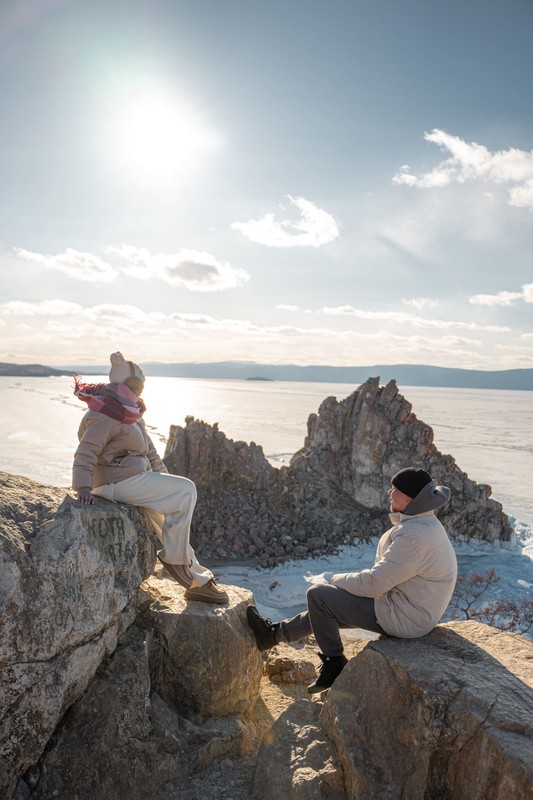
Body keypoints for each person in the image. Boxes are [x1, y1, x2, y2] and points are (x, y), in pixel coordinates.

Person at [247, 467, 458, 693]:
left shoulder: (414, 537)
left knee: (319, 596)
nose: (389, 493)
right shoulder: (425, 524)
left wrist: (332, 578)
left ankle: (335, 663)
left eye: (394, 489)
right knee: (326, 607)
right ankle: (272, 635)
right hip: (412, 610)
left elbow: (374, 584)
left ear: (409, 496)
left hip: (406, 617)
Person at [72, 351, 228, 604]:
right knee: (186, 490)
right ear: (122, 384)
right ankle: (175, 561)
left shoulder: (129, 410)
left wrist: (164, 481)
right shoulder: (106, 413)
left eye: (141, 385)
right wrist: (83, 487)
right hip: (115, 482)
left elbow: (150, 452)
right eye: (135, 384)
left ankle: (196, 579)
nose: (140, 389)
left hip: (132, 478)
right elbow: (86, 451)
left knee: (169, 513)